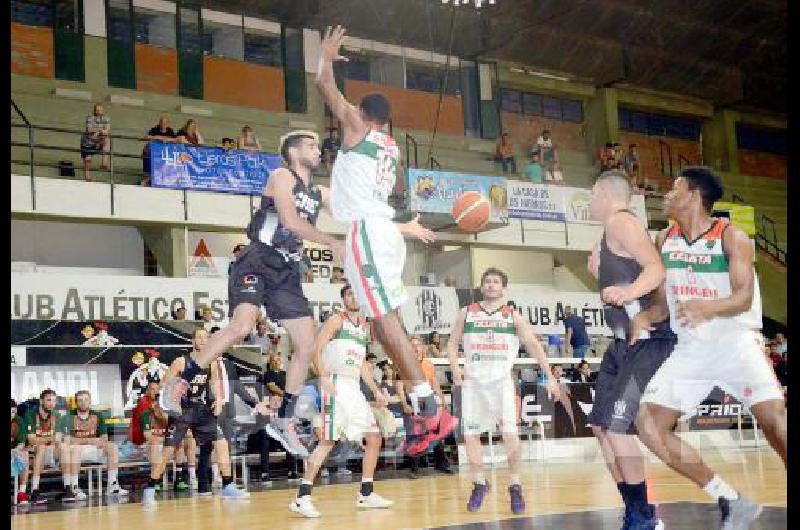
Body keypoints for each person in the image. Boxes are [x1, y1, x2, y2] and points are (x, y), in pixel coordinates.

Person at [314, 25, 457, 454]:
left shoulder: (359, 127)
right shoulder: (389, 147)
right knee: (381, 322)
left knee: (384, 322)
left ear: (362, 113)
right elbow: (347, 195)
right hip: (382, 233)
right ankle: (421, 408)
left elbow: (325, 87)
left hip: (368, 235)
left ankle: (429, 408)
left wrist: (325, 57)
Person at [160, 128, 345, 458]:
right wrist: (332, 242)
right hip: (258, 258)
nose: (318, 149)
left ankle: (284, 418)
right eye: (310, 144)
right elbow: (288, 220)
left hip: (287, 270)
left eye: (318, 144)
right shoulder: (281, 176)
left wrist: (399, 223)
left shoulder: (318, 192)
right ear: (291, 150)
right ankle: (183, 380)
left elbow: (354, 208)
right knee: (242, 325)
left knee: (306, 344)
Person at [634, 167, 785, 528]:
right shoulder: (663, 239)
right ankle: (731, 499)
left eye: (674, 189)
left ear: (694, 195)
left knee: (775, 423)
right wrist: (643, 317)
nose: (667, 195)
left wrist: (709, 307)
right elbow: (662, 303)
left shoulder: (732, 236)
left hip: (736, 343)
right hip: (690, 348)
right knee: (648, 425)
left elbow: (744, 297)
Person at [585, 169, 676, 529]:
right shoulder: (611, 233)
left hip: (648, 339)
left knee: (619, 429)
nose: (589, 201)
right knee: (601, 428)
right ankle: (635, 510)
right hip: (623, 343)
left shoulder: (621, 222)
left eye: (592, 194)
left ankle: (643, 516)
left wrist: (628, 293)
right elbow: (630, 273)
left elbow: (657, 269)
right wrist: (602, 276)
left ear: (606, 193)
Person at [446, 267, 560, 514]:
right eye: (487, 281)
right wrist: (455, 368)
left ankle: (515, 485)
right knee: (471, 435)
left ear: (503, 288)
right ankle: (479, 483)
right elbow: (452, 344)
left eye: (496, 282)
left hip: (501, 383)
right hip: (474, 384)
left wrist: (549, 376)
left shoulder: (512, 316)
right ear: (481, 286)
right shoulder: (466, 313)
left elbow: (533, 345)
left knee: (510, 434)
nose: (490, 285)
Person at [289, 284, 393, 518]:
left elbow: (363, 365)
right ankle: (301, 497)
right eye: (349, 294)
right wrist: (323, 376)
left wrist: (375, 389)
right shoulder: (337, 320)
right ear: (344, 299)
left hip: (354, 387)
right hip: (335, 384)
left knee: (374, 437)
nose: (353, 297)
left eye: (357, 294)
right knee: (327, 440)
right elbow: (314, 348)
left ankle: (366, 493)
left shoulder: (365, 327)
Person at [145, 328, 249, 504]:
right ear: (193, 341)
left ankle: (228, 486)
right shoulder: (180, 362)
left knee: (222, 444)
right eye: (199, 337)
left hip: (201, 410)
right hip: (182, 411)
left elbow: (214, 383)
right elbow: (164, 385)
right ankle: (149, 488)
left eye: (205, 338)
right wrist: (166, 403)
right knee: (168, 451)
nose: (202, 340)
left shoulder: (212, 362)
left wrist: (217, 400)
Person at [59, 390, 128, 499]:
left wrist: (82, 440)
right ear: (76, 402)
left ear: (90, 401)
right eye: (80, 400)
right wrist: (89, 440)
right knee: (75, 449)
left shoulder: (98, 415)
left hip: (94, 450)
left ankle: (112, 485)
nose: (83, 402)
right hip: (75, 451)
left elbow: (104, 438)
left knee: (112, 447)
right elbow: (68, 440)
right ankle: (74, 488)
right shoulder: (69, 416)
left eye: (86, 400)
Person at [21, 389, 72, 503]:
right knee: (41, 447)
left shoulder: (56, 415)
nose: (52, 403)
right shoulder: (30, 414)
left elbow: (58, 438)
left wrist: (57, 440)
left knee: (64, 447)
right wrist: (51, 439)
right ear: (41, 401)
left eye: (54, 401)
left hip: (51, 451)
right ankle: (34, 490)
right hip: (32, 453)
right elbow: (32, 440)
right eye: (48, 400)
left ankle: (68, 488)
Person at [141, 116, 177, 186]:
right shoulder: (154, 129)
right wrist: (160, 138)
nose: (163, 124)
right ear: (159, 123)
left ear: (167, 124)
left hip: (166, 153)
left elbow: (176, 139)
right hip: (154, 152)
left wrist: (167, 139)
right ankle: (146, 179)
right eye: (162, 122)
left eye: (165, 123)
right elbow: (147, 137)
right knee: (146, 153)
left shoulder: (170, 131)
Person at [80, 104, 111, 181]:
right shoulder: (90, 118)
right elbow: (89, 130)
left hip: (98, 140)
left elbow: (107, 130)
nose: (99, 112)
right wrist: (100, 130)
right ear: (94, 111)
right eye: (97, 110)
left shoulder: (106, 119)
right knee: (88, 160)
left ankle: (104, 163)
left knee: (107, 139)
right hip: (88, 141)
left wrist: (97, 132)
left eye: (101, 110)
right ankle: (87, 177)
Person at [11, 399, 31, 505]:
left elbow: (21, 443)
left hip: (13, 453)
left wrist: (16, 450)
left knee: (24, 453)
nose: (11, 415)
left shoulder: (19, 421)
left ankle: (22, 492)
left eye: (13, 412)